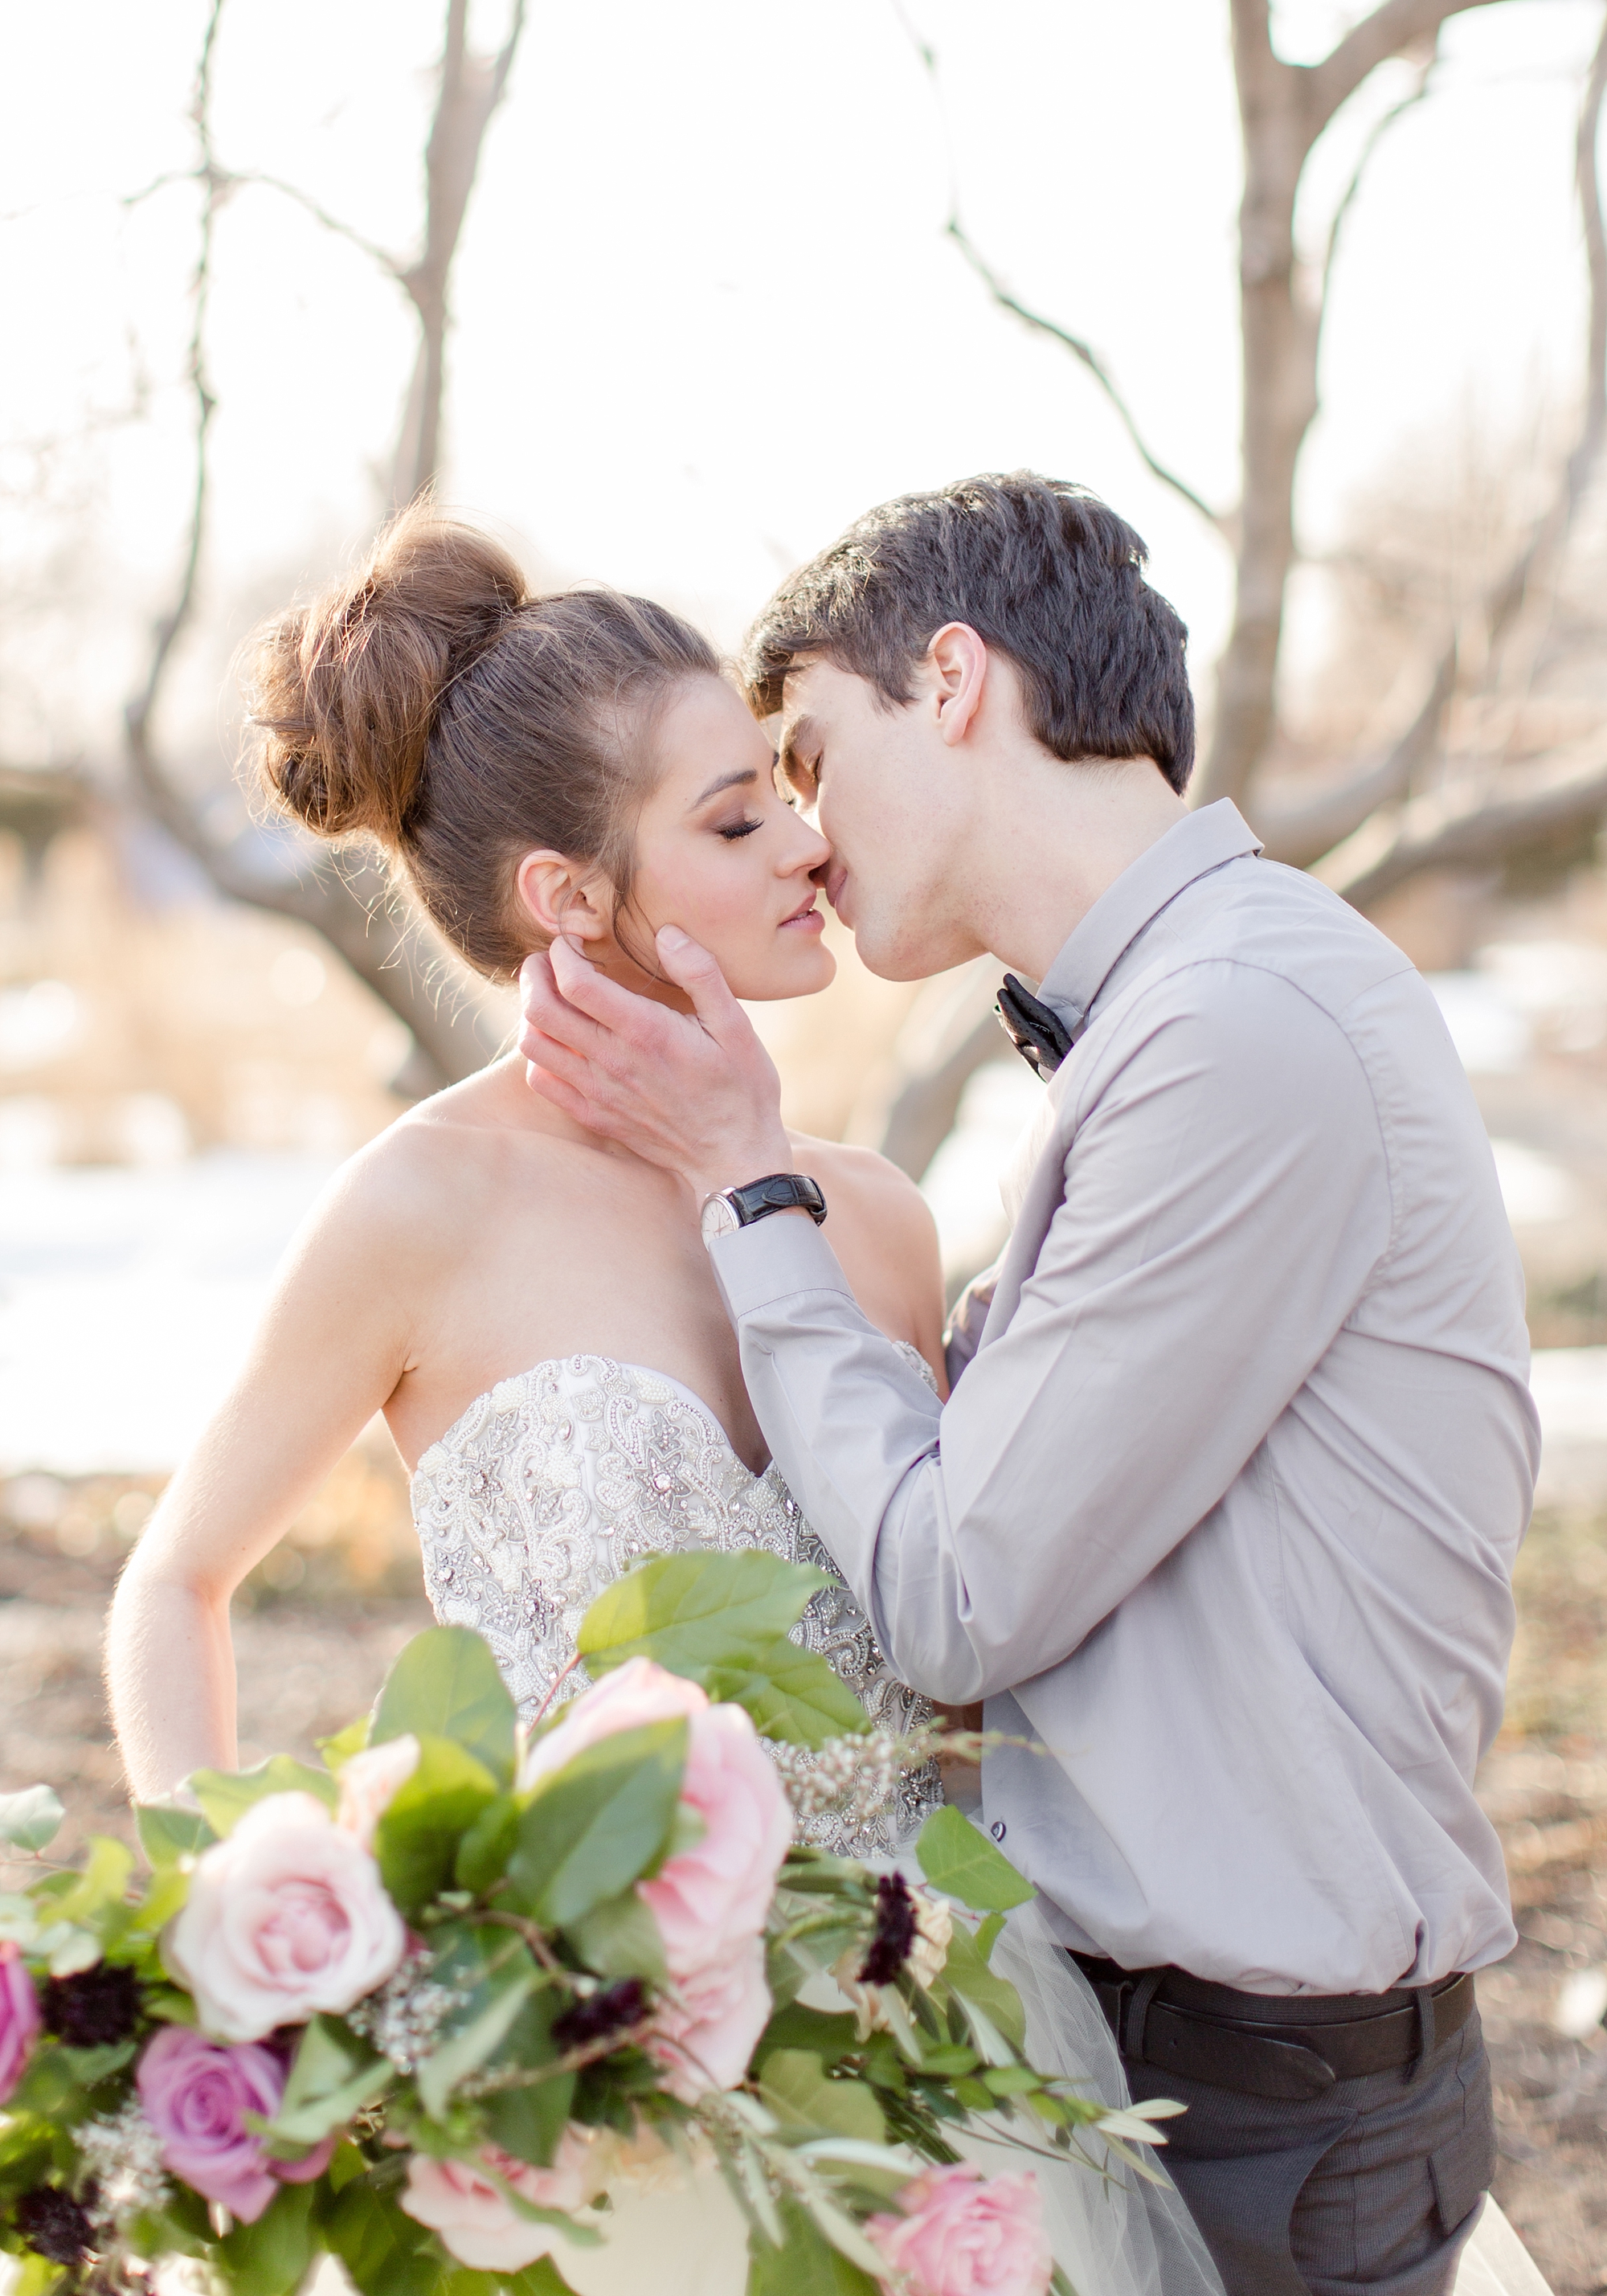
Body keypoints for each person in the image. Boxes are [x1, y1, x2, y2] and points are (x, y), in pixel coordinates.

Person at [105, 502, 1225, 2296]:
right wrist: (263, 1952)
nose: (808, 841)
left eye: (786, 785)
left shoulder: (873, 1220)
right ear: (569, 897)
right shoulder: (421, 1210)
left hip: (934, 2056)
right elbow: (173, 1583)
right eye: (733, 818)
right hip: (593, 2102)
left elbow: (955, 1653)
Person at [515, 470, 1541, 2296]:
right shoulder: (1179, 1016)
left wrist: (748, 1190)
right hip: (1170, 2077)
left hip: (1261, 2130)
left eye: (812, 759)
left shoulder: (1239, 1029)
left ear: (958, 680)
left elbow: (958, 1593)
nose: (807, 842)